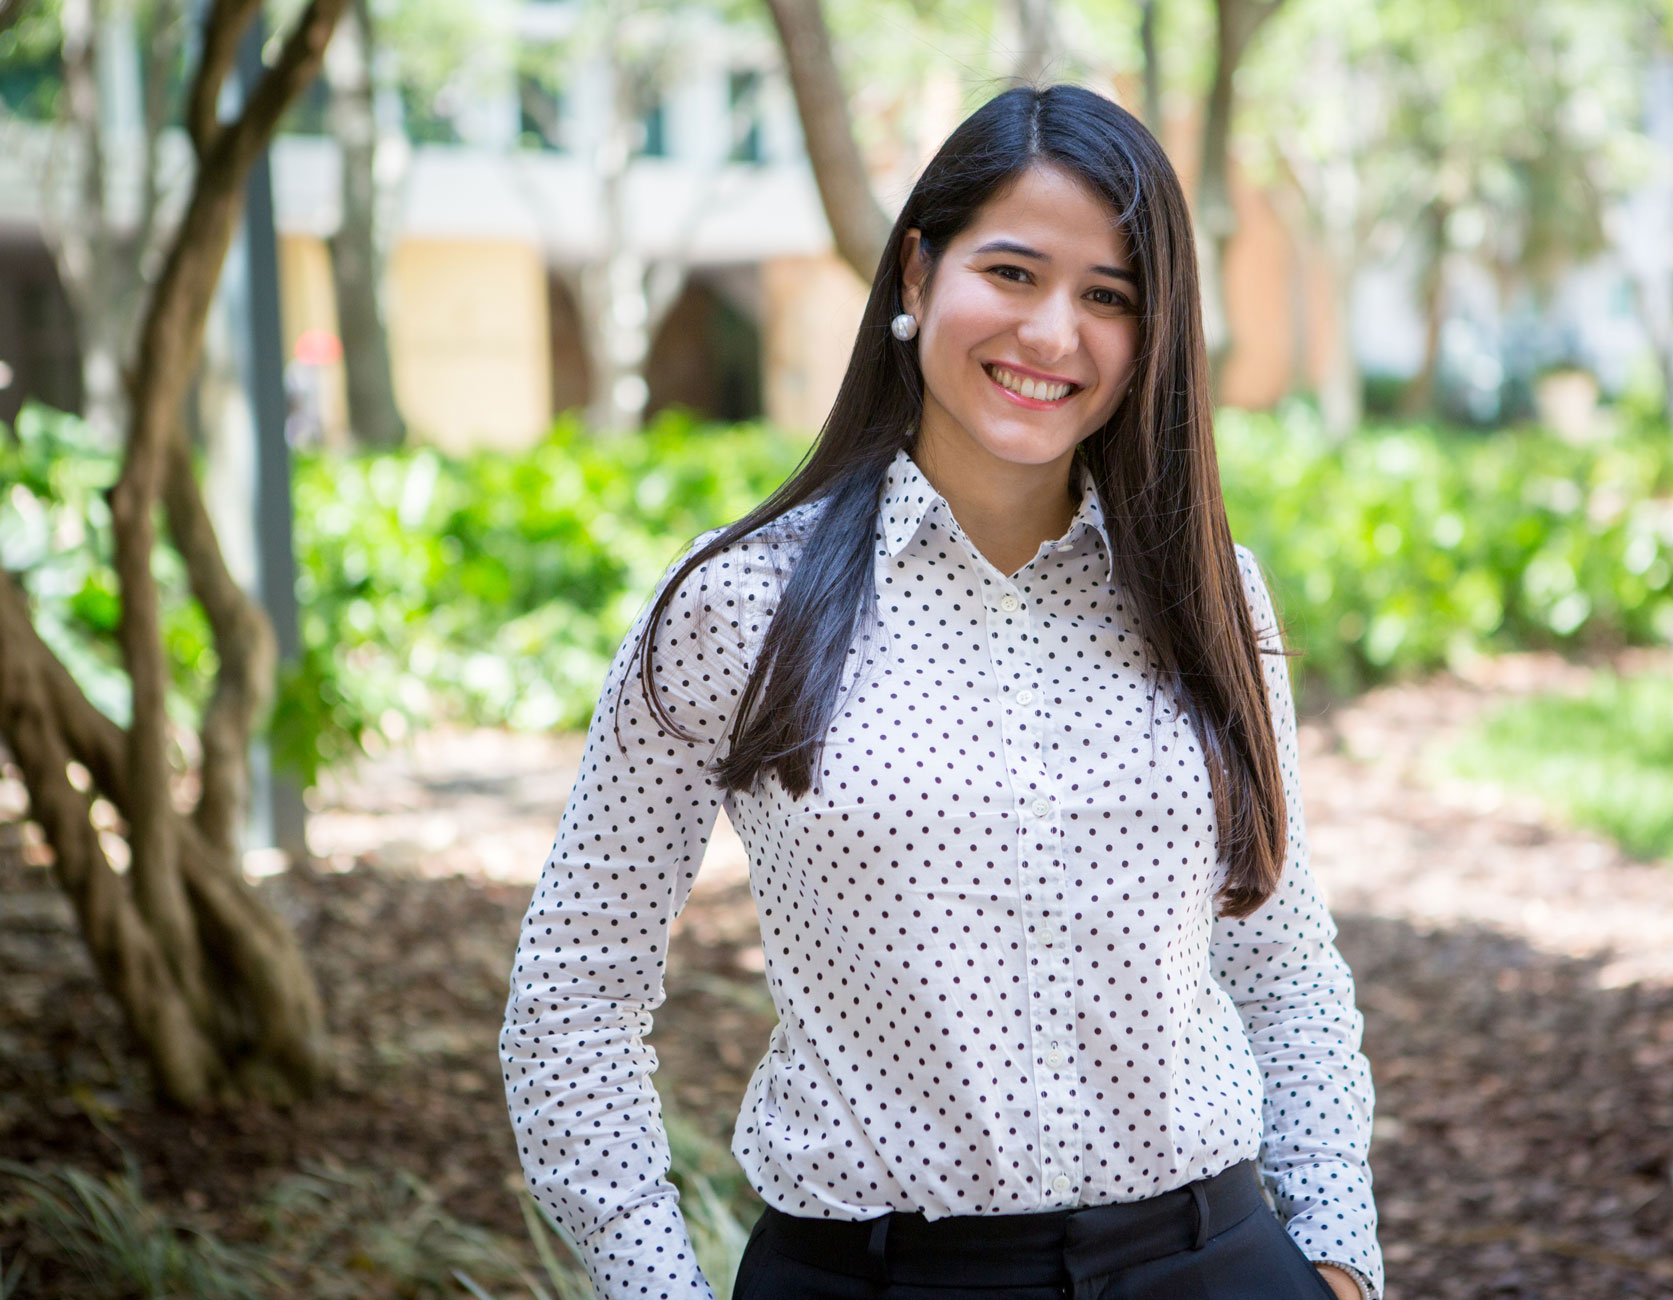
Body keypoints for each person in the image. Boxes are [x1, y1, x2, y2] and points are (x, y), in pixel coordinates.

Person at [499, 83, 1382, 1300]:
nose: (1052, 333)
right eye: (1012, 273)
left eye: (1108, 296)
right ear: (916, 276)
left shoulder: (1211, 597)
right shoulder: (734, 604)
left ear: (1151, 335)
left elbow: (1278, 955)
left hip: (1207, 1262)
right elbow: (572, 994)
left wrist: (1336, 1255)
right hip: (873, 1276)